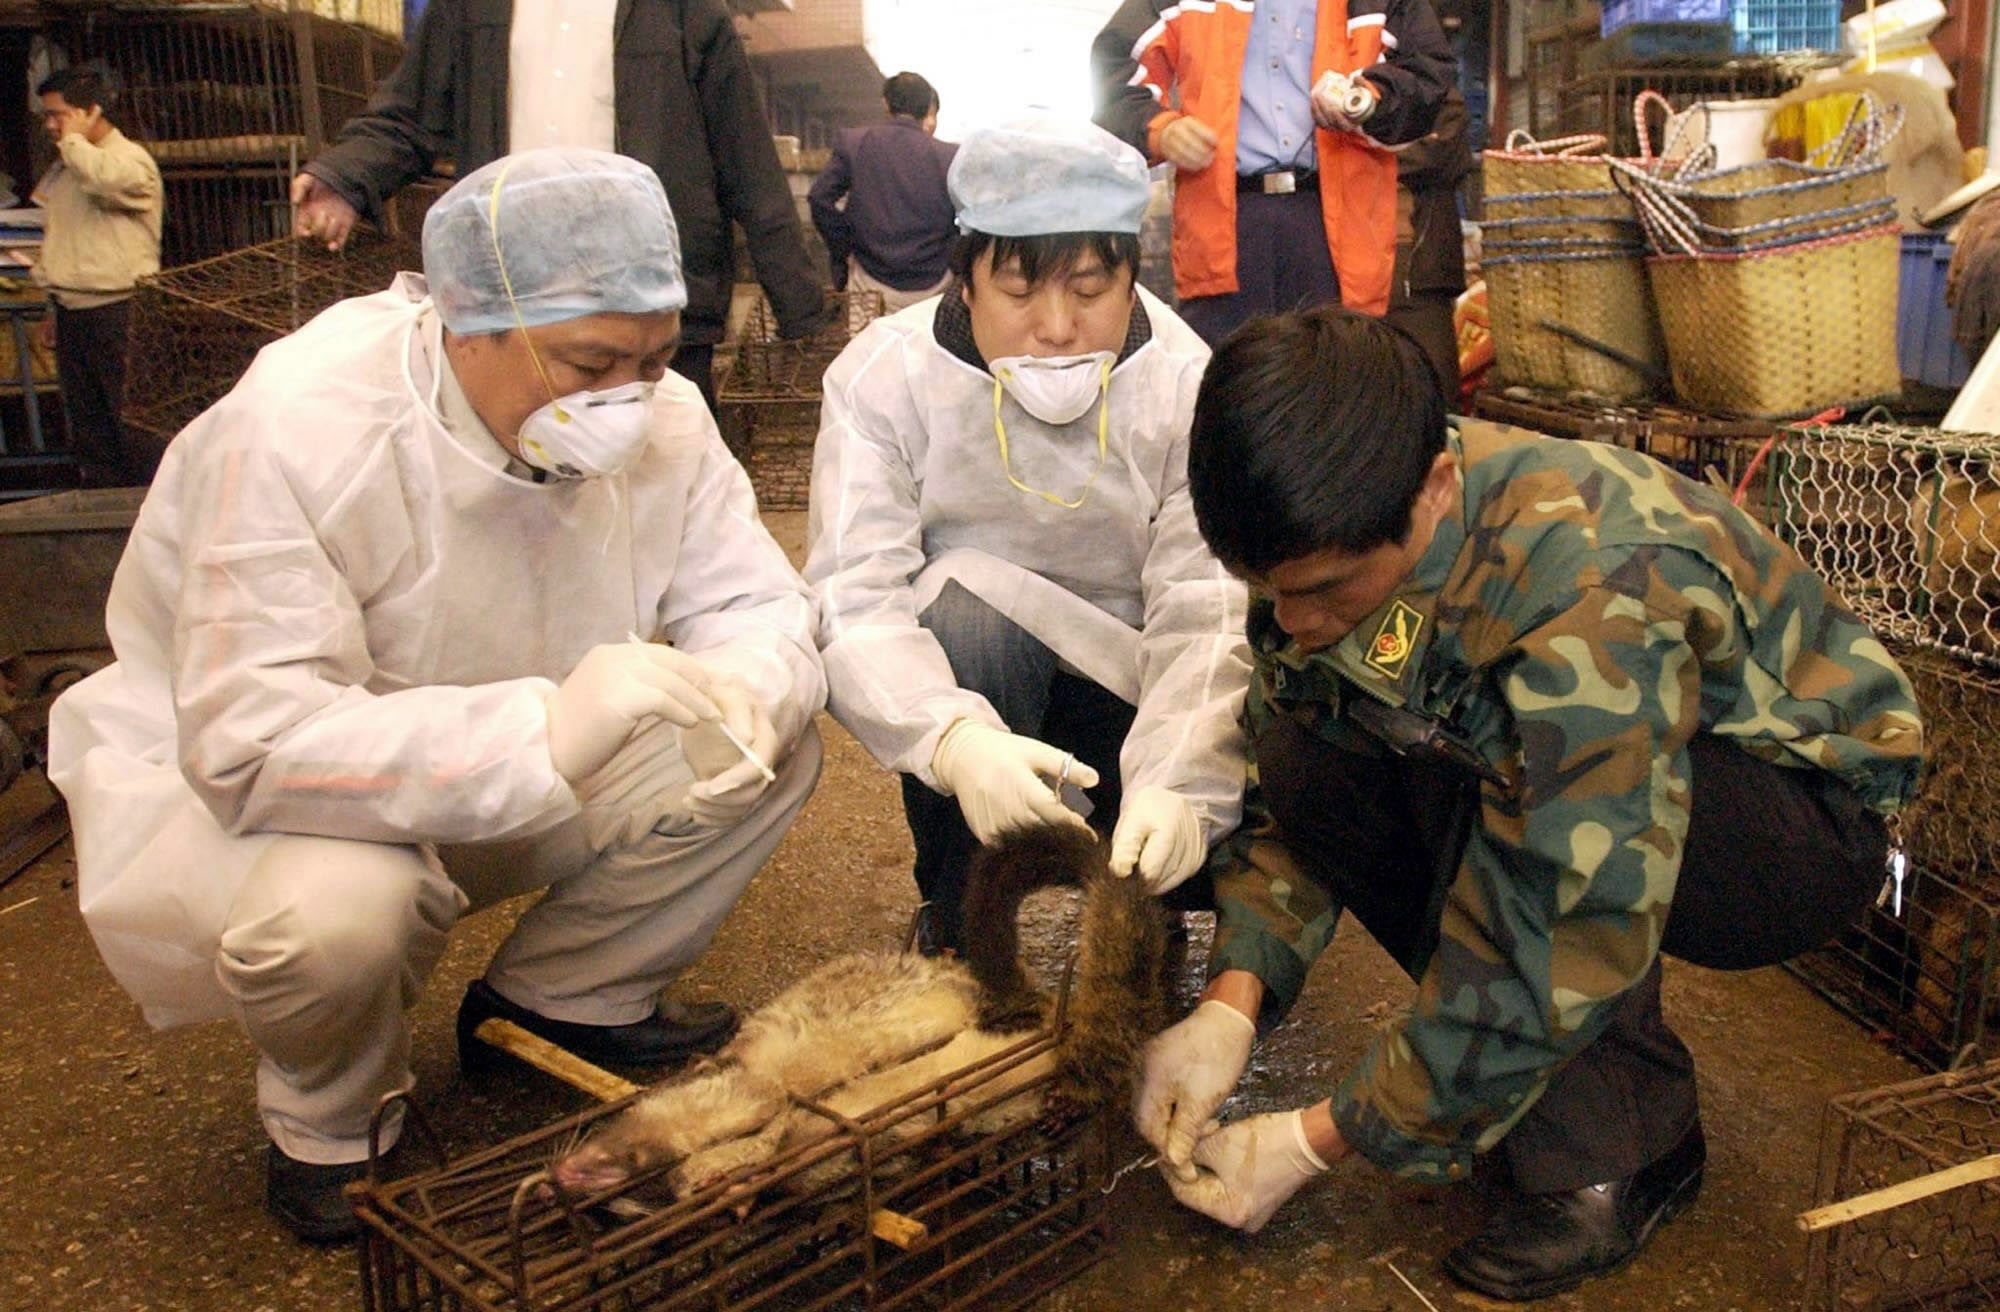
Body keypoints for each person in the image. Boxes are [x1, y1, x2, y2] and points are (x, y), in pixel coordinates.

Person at [47, 149, 827, 1245]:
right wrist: (538, 731)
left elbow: (757, 600)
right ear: (467, 325)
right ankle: (330, 1121)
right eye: (591, 361)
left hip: (535, 761)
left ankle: (567, 995)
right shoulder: (304, 424)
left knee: (765, 746)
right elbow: (248, 739)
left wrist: (750, 681)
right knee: (337, 917)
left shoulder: (665, 416)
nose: (627, 398)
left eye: (651, 358)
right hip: (289, 805)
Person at [1138, 307, 1924, 1301]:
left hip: (1792, 826)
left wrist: (1318, 1137)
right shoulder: (1326, 526)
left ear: (1432, 488)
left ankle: (1627, 1149)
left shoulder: (1588, 582)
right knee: (1308, 754)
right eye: (1266, 588)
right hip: (1592, 774)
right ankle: (1509, 1077)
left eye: (1325, 587)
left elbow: (1571, 903)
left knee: (1490, 786)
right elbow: (1289, 770)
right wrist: (1230, 1001)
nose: (1290, 620)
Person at [804, 116, 1250, 955]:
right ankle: (963, 908)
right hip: (979, 688)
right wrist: (954, 740)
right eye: (1018, 292)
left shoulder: (1187, 381)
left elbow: (1207, 603)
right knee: (964, 604)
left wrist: (1183, 785)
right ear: (963, 283)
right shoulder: (885, 377)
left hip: (1128, 685)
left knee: (1179, 846)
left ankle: (1150, 894)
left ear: (1132, 279)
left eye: (1089, 292)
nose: (1055, 326)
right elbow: (851, 594)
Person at [288, 0, 828, 410]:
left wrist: (800, 309)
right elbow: (409, 114)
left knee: (661, 478)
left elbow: (746, 157)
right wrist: (343, 175)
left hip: (649, 305)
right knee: (520, 479)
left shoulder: (682, 11)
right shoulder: (474, 10)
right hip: (513, 300)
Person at [1091, 0, 1455, 347]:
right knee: (1226, 380)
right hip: (1224, 223)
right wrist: (1162, 131)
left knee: (1333, 380)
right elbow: (1117, 71)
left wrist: (1367, 99)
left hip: (1337, 225)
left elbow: (1427, 71)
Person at [29, 64, 162, 487]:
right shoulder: (69, 166)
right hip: (74, 309)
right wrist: (52, 306)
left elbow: (110, 182)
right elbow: (64, 238)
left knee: (132, 420)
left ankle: (146, 504)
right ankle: (103, 505)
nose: (51, 126)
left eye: (59, 115)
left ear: (91, 111)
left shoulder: (127, 158)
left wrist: (73, 141)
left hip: (119, 308)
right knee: (89, 423)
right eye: (47, 117)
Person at [808, 72, 959, 314]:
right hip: (934, 284)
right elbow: (970, 217)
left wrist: (845, 246)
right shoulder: (949, 156)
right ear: (929, 108)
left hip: (869, 282)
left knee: (868, 351)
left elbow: (819, 199)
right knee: (928, 351)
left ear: (886, 103)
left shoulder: (854, 142)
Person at [1385, 85, 1472, 399]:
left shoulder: (1436, 91)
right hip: (1352, 267)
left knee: (1434, 394)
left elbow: (1447, 153)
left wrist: (1371, 159)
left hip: (1420, 270)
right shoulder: (1337, 84)